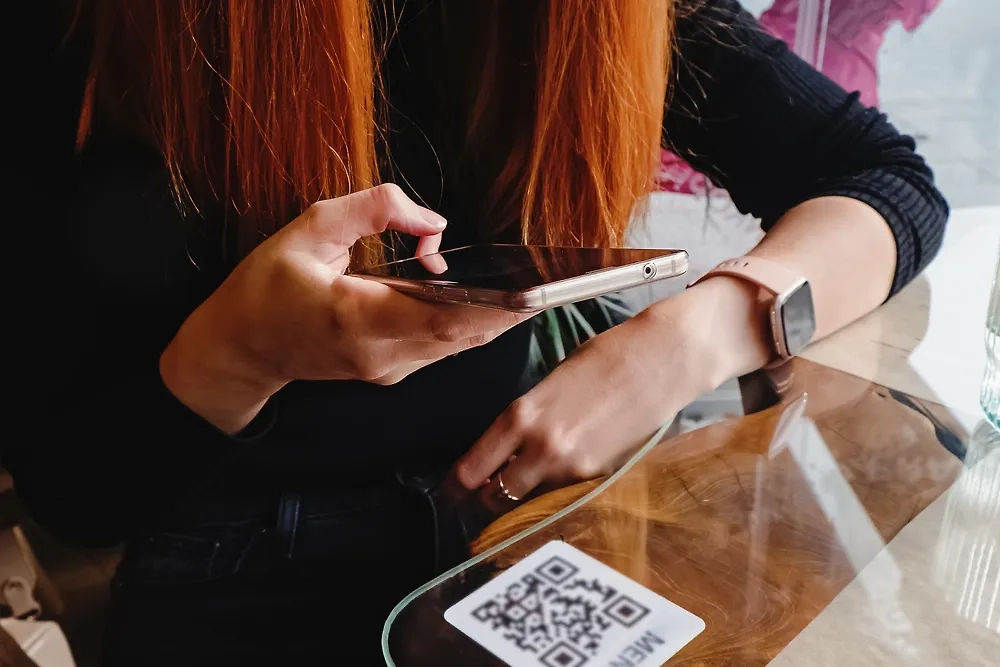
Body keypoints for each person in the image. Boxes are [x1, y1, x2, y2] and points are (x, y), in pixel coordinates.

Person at [7, 0, 947, 664]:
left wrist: (681, 342)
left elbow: (885, 184)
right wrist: (238, 353)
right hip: (235, 561)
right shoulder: (84, 35)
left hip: (536, 521)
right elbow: (74, 493)